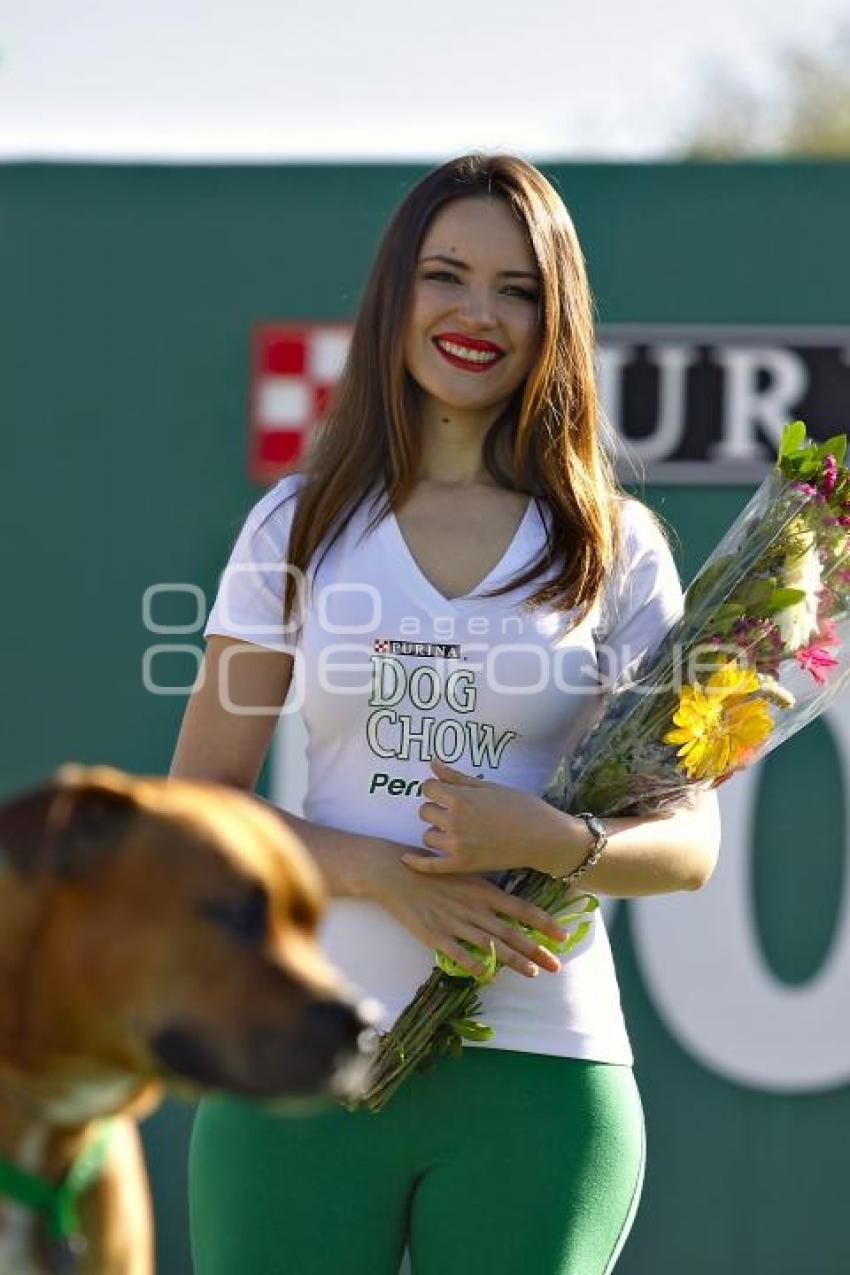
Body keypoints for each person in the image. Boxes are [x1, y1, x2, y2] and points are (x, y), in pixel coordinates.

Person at [171, 152, 721, 1275]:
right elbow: (198, 816)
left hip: (543, 1072)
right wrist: (379, 874)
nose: (478, 314)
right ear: (396, 295)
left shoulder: (618, 549)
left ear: (553, 317)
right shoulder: (297, 525)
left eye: (518, 289)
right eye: (446, 275)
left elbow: (689, 841)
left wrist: (556, 844)